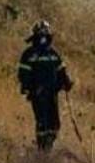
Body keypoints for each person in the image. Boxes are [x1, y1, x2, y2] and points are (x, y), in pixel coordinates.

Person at [17, 20, 73, 151]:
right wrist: (28, 87)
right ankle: (42, 148)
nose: (43, 37)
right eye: (41, 34)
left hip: (52, 93)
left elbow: (61, 71)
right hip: (38, 94)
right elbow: (23, 74)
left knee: (55, 123)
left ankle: (49, 145)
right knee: (42, 121)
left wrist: (66, 82)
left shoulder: (53, 53)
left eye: (45, 33)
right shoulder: (29, 54)